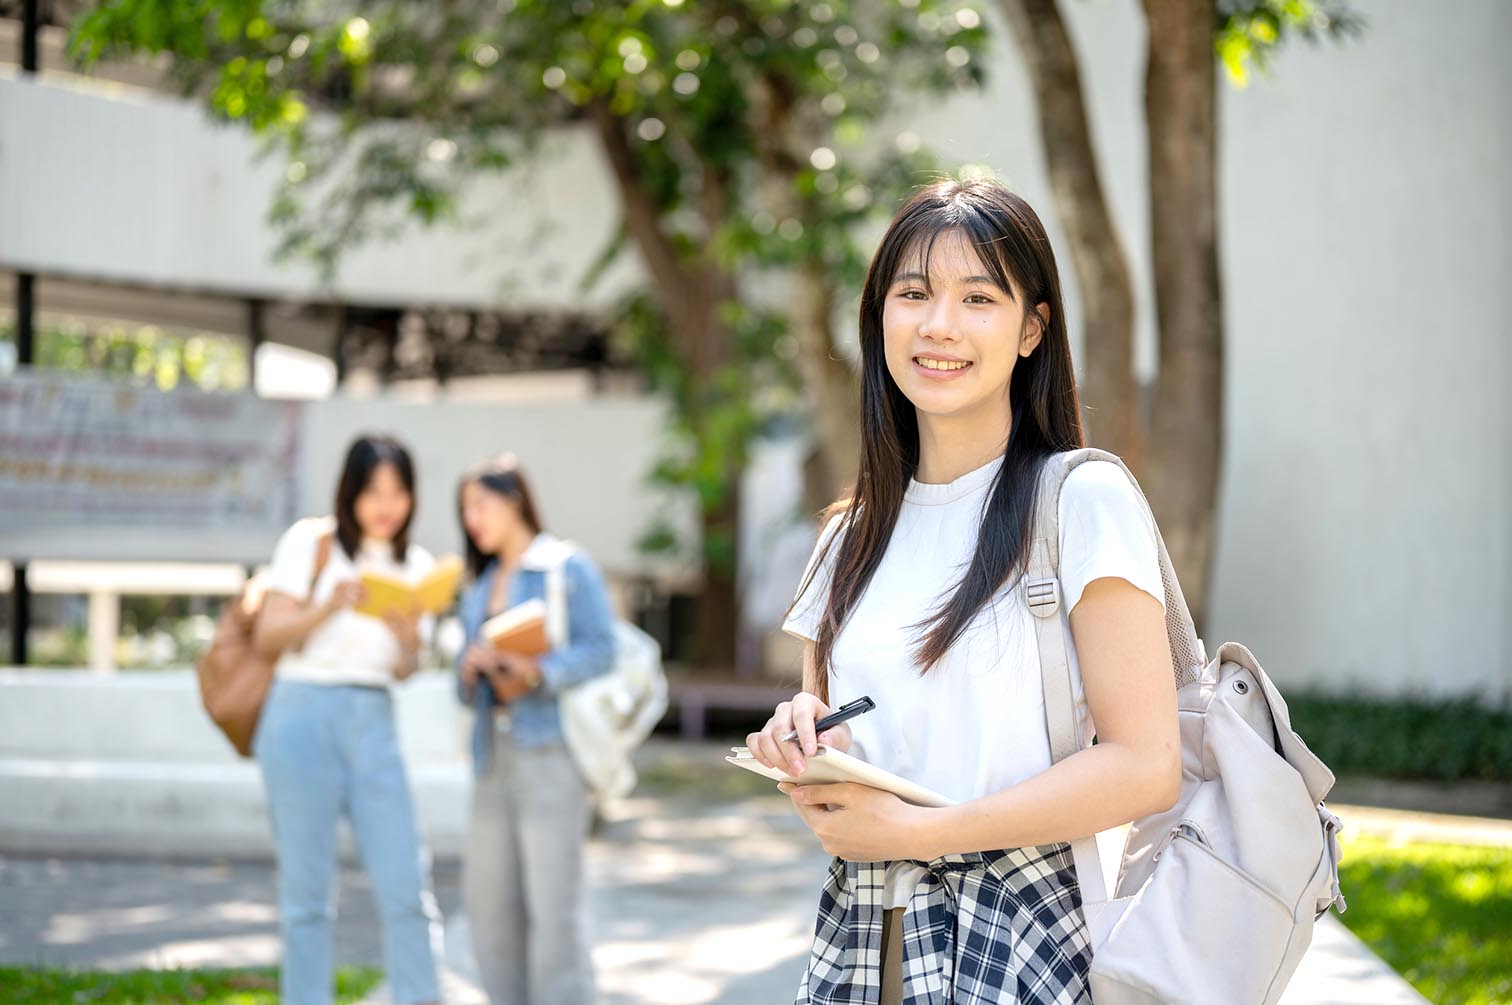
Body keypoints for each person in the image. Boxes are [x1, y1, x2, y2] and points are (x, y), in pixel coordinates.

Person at [749, 178, 1181, 1005]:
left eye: (978, 298)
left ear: (1032, 329)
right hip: (863, 943)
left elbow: (1147, 765)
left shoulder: (1081, 501)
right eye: (913, 294)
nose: (939, 324)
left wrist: (926, 832)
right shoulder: (848, 537)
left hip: (1020, 938)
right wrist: (799, 737)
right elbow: (849, 761)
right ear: (879, 316)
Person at [252, 433, 443, 1005]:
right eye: (373, 492)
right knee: (306, 897)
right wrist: (329, 604)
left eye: (398, 493)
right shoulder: (311, 543)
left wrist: (408, 640)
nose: (386, 506)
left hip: (373, 716)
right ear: (350, 492)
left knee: (405, 883)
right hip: (301, 713)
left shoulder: (416, 567)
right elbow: (267, 637)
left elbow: (405, 670)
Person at [454, 453, 617, 1005]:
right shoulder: (478, 584)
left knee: (554, 910)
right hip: (490, 754)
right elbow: (461, 687)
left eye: (480, 504)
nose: (472, 519)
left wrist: (536, 672)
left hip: (551, 751)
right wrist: (470, 670)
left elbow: (602, 650)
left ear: (515, 500)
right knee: (490, 909)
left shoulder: (567, 569)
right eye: (465, 509)